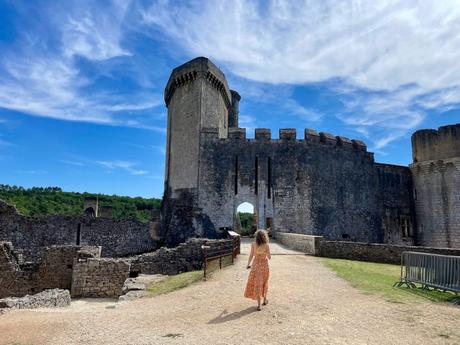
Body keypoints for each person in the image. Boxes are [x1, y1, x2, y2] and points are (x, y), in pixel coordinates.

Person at [244, 229, 271, 311]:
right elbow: (269, 257)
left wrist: (248, 264)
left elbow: (251, 255)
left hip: (255, 265)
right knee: (264, 282)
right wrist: (265, 253)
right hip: (264, 266)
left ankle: (259, 305)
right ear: (264, 237)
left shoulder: (253, 244)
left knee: (257, 283)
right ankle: (265, 299)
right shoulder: (266, 245)